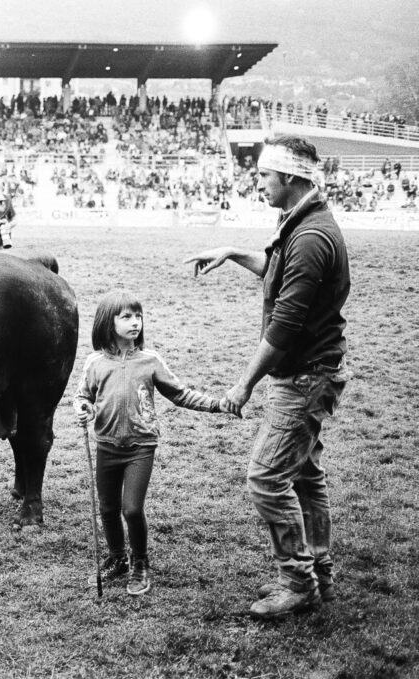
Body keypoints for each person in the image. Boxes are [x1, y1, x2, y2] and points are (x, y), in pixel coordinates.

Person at [183, 135, 350, 620]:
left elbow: (285, 324)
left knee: (265, 478)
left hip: (304, 377)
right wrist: (235, 252)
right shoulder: (299, 224)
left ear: (292, 178)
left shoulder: (312, 238)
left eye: (264, 176)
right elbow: (277, 275)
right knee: (304, 475)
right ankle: (318, 568)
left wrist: (243, 385)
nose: (258, 183)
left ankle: (297, 582)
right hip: (313, 370)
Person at [73, 290, 225, 596]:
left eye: (138, 316)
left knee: (131, 509)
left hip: (141, 447)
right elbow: (82, 396)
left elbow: (180, 394)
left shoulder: (150, 361)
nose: (135, 322)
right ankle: (118, 558)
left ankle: (140, 562)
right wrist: (82, 408)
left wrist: (217, 404)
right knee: (107, 509)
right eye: (126, 317)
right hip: (106, 445)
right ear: (107, 322)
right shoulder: (95, 363)